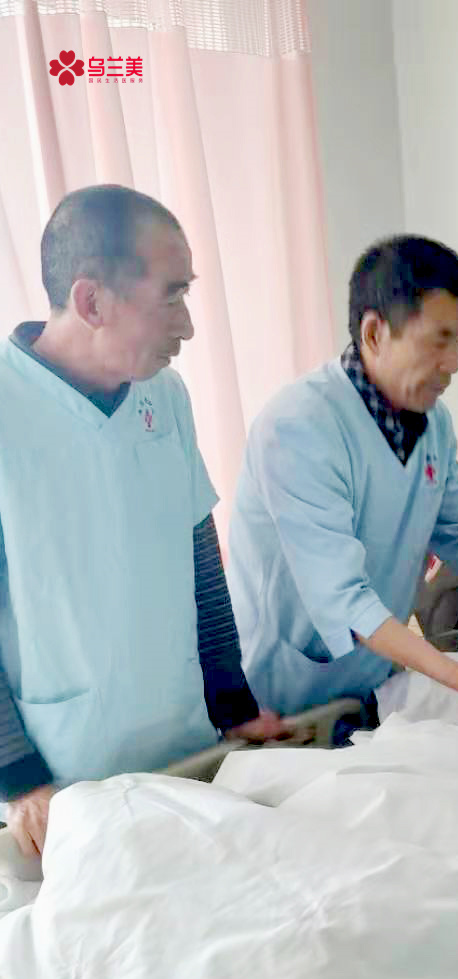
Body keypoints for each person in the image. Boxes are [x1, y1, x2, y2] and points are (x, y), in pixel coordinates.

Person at [0, 184, 287, 858]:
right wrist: (20, 777)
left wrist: (234, 705)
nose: (187, 326)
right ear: (91, 302)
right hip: (67, 781)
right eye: (171, 296)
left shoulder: (166, 396)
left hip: (188, 751)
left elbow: (200, 557)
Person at [228, 235, 458, 722]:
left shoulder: (434, 424)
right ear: (375, 333)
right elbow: (342, 600)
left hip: (374, 686)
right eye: (439, 339)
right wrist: (455, 674)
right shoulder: (299, 427)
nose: (454, 363)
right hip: (282, 699)